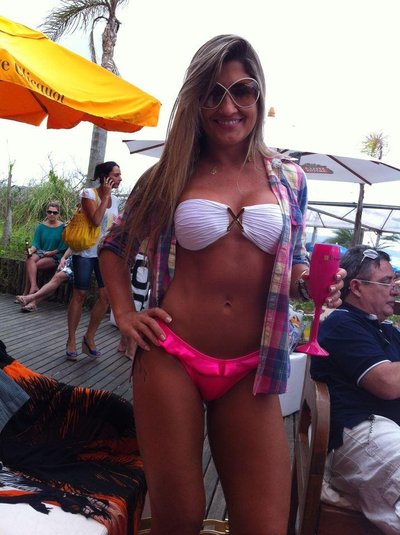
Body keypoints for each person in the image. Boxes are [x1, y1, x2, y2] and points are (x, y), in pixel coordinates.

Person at [99, 35, 344, 535]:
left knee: (265, 524)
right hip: (171, 354)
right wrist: (124, 314)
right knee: (180, 519)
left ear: (259, 95)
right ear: (195, 101)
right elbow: (113, 246)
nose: (228, 107)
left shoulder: (289, 178)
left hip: (252, 366)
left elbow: (293, 266)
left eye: (242, 91)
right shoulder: (169, 175)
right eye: (213, 93)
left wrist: (311, 286)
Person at [311, 245, 400, 535]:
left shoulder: (385, 330)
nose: (395, 290)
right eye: (386, 282)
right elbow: (387, 383)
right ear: (357, 288)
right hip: (360, 429)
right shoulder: (341, 323)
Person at [66, 161, 121, 361]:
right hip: (85, 252)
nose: (120, 179)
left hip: (104, 252)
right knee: (80, 294)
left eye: (119, 175)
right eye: (116, 175)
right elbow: (96, 220)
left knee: (106, 297)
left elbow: (111, 227)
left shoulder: (116, 200)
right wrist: (105, 196)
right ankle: (71, 339)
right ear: (105, 177)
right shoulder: (88, 194)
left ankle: (89, 337)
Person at [18, 201, 67, 298]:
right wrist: (30, 251)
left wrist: (52, 252)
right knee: (29, 260)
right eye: (49, 212)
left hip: (55, 255)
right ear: (46, 212)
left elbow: (64, 246)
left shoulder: (63, 228)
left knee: (33, 266)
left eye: (55, 212)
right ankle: (33, 287)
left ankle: (27, 293)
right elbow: (36, 244)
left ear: (58, 214)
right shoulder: (40, 227)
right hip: (41, 252)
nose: (52, 214)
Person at [16, 248, 73, 312]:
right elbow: (71, 247)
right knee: (56, 278)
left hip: (79, 263)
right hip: (72, 260)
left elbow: (64, 247)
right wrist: (63, 258)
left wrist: (57, 254)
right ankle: (32, 298)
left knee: (58, 278)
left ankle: (30, 298)